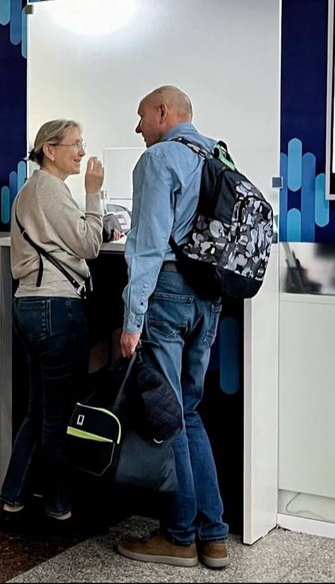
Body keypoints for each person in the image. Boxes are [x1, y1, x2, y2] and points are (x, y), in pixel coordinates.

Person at [116, 86, 230, 569]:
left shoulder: (159, 159)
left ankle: (180, 536)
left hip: (167, 294)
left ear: (162, 112)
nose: (138, 127)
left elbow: (146, 245)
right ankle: (214, 536)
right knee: (189, 411)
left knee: (170, 418)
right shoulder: (217, 154)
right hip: (210, 296)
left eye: (142, 116)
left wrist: (131, 319)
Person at [0, 119, 106, 537]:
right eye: (75, 144)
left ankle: (14, 500)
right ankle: (58, 509)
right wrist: (94, 194)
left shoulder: (34, 190)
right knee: (57, 416)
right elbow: (89, 244)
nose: (81, 152)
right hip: (56, 308)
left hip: (30, 305)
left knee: (40, 411)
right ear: (49, 149)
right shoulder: (50, 189)